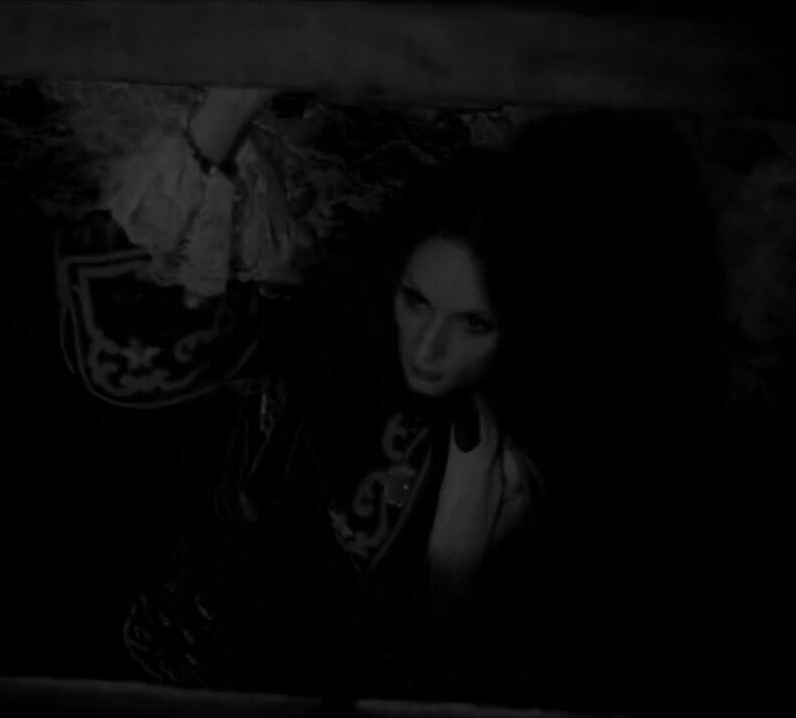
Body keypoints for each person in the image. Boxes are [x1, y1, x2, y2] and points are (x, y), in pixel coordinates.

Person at [72, 87, 725, 710]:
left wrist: (453, 569)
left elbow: (451, 678)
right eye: (416, 301)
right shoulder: (334, 337)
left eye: (474, 323)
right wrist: (233, 103)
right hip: (156, 669)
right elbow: (124, 349)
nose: (428, 348)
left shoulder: (535, 471)